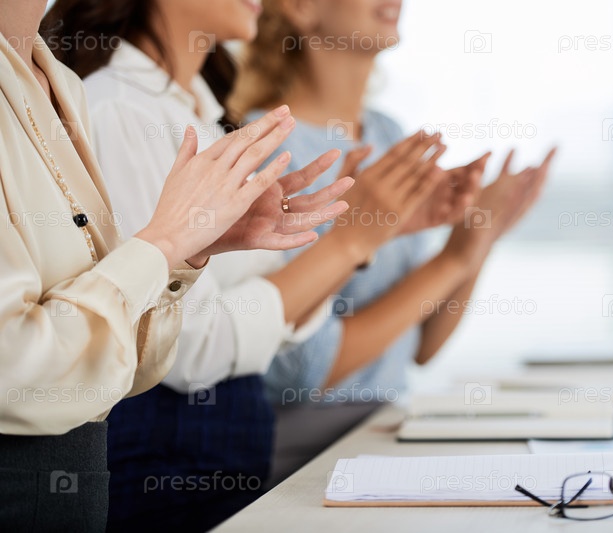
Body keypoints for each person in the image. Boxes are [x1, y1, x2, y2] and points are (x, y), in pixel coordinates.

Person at [44, 0, 476, 529]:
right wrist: (350, 242)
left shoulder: (201, 114)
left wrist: (365, 235)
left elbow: (257, 312)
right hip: (167, 462)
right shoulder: (119, 108)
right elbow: (185, 351)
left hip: (221, 455)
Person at [0, 0, 344, 529]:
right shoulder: (115, 103)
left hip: (84, 479)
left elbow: (123, 355)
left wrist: (185, 253)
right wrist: (165, 245)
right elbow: (19, 366)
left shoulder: (61, 85)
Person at [233, 0, 557, 486]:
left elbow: (421, 346)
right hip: (307, 453)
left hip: (386, 428)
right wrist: (453, 259)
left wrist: (477, 241)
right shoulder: (269, 148)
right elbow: (302, 371)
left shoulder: (387, 134)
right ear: (301, 8)